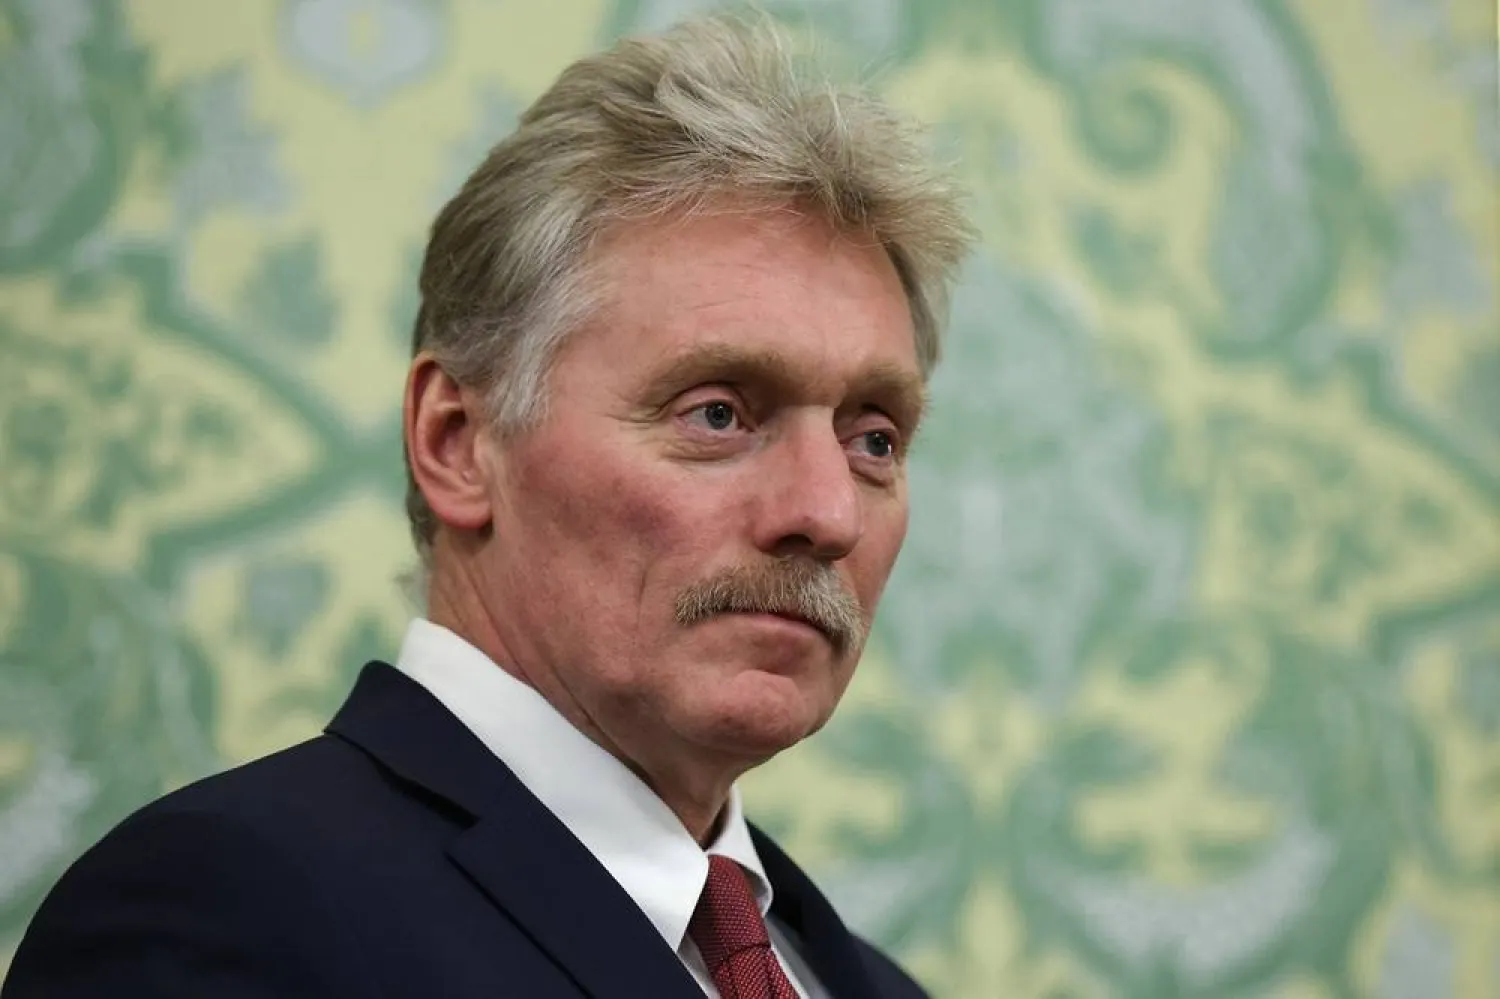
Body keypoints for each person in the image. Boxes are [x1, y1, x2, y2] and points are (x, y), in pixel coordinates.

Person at [3, 13, 973, 998]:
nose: (826, 513)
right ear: (457, 445)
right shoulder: (222, 914)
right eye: (718, 413)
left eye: (874, 439)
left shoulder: (871, 985)